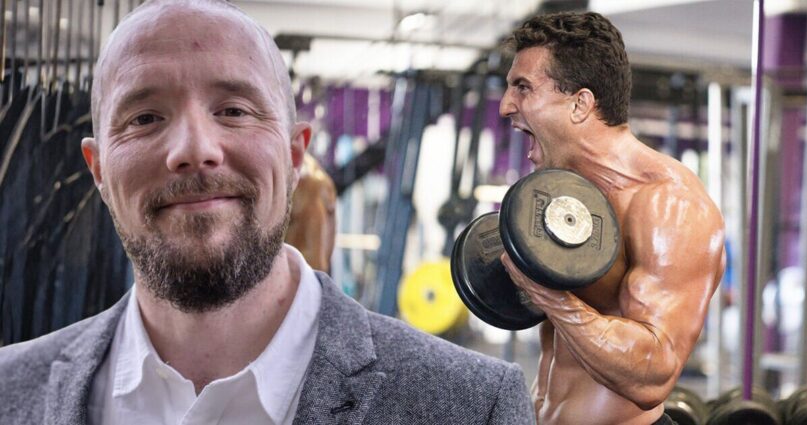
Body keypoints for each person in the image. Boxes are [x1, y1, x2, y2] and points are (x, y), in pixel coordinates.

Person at [0, 1, 534, 424]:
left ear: (296, 154)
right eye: (144, 118)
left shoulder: (472, 406)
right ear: (98, 170)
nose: (194, 149)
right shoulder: (10, 392)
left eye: (233, 110)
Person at [498, 12, 725, 425]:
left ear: (580, 104)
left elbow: (653, 371)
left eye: (523, 87)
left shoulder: (670, 204)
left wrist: (548, 294)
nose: (505, 106)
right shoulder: (565, 195)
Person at [284, 153, 337, 272]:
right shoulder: (323, 178)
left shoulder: (292, 174)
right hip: (318, 265)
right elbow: (332, 228)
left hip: (295, 265)